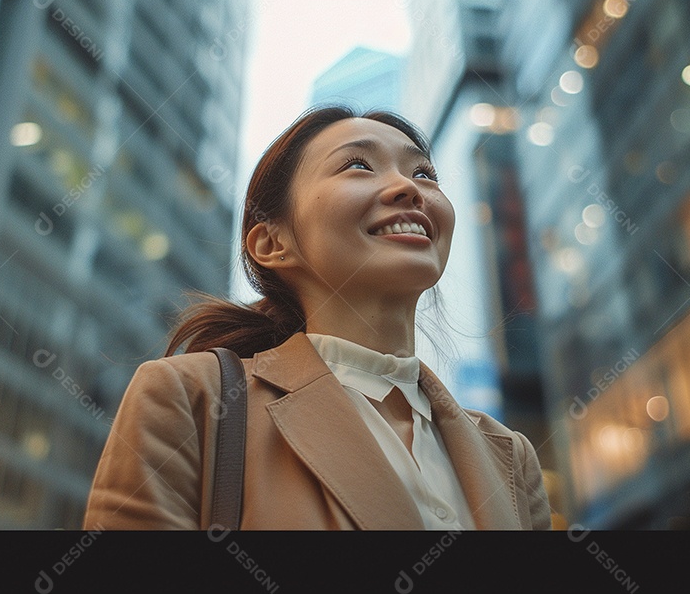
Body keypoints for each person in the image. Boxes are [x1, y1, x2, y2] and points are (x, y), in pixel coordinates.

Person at [83, 105, 551, 530]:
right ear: (272, 243)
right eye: (358, 165)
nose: (410, 188)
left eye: (425, 173)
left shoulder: (510, 456)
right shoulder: (192, 399)